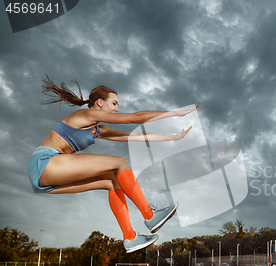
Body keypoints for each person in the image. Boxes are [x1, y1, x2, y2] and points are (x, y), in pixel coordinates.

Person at [28, 76, 199, 253]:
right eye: (114, 104)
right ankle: (150, 215)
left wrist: (174, 137)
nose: (117, 109)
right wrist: (174, 113)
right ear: (100, 103)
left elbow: (136, 136)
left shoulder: (97, 130)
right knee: (119, 162)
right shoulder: (85, 115)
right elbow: (135, 118)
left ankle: (130, 237)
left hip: (47, 179)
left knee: (113, 180)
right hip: (45, 162)